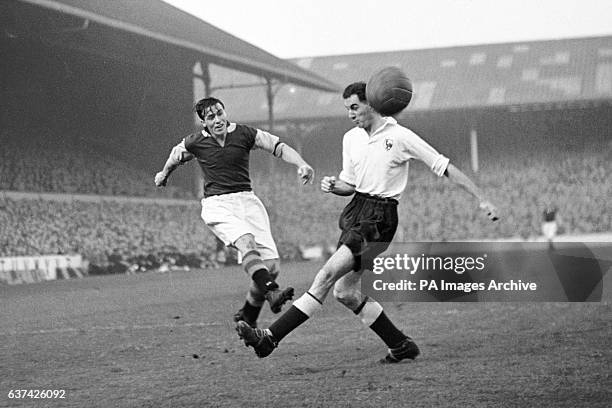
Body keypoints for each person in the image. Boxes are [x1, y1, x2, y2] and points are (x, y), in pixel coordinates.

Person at [237, 81, 499, 363]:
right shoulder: (351, 138)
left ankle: (269, 339)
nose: (350, 113)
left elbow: (443, 166)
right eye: (347, 108)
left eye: (354, 107)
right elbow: (350, 184)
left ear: (371, 104)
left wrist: (481, 197)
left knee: (325, 276)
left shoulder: (400, 136)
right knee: (345, 291)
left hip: (380, 218)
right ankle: (400, 345)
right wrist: (333, 185)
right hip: (356, 211)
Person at [155, 97, 314, 327]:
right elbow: (175, 157)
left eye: (220, 113)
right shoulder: (194, 142)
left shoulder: (245, 134)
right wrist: (164, 174)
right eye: (211, 117)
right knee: (247, 242)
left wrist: (301, 164)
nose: (218, 119)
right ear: (203, 122)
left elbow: (278, 146)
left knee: (271, 267)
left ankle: (248, 315)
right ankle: (271, 292)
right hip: (218, 204)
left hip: (248, 201)